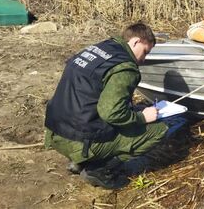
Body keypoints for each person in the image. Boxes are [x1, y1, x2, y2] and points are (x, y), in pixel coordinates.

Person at [44, 22, 168, 189]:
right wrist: (142, 117)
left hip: (55, 131)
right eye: (145, 52)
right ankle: (99, 169)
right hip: (80, 142)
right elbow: (111, 113)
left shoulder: (99, 48)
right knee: (158, 129)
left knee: (130, 112)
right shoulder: (126, 68)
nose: (143, 60)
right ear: (136, 41)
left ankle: (79, 161)